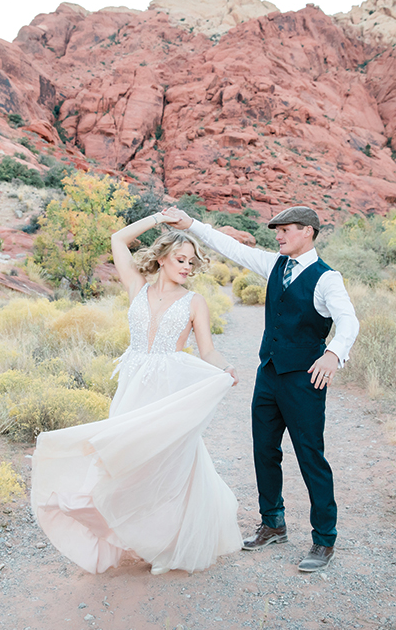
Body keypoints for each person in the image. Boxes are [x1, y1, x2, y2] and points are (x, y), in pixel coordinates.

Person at [30, 211, 242, 575]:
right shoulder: (136, 286)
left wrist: (224, 368)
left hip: (167, 388)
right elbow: (117, 239)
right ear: (161, 259)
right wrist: (159, 218)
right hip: (132, 386)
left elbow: (207, 350)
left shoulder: (195, 302)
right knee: (122, 460)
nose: (187, 267)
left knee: (165, 464)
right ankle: (129, 531)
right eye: (180, 260)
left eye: (192, 262)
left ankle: (164, 545)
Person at [166, 205, 359, 573]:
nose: (278, 235)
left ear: (308, 231)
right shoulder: (275, 265)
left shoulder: (326, 278)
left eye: (285, 230)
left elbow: (348, 321)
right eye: (277, 230)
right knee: (264, 450)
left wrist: (334, 353)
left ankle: (324, 539)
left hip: (305, 380)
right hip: (269, 373)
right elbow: (231, 248)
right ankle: (273, 523)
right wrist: (190, 224)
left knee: (310, 457)